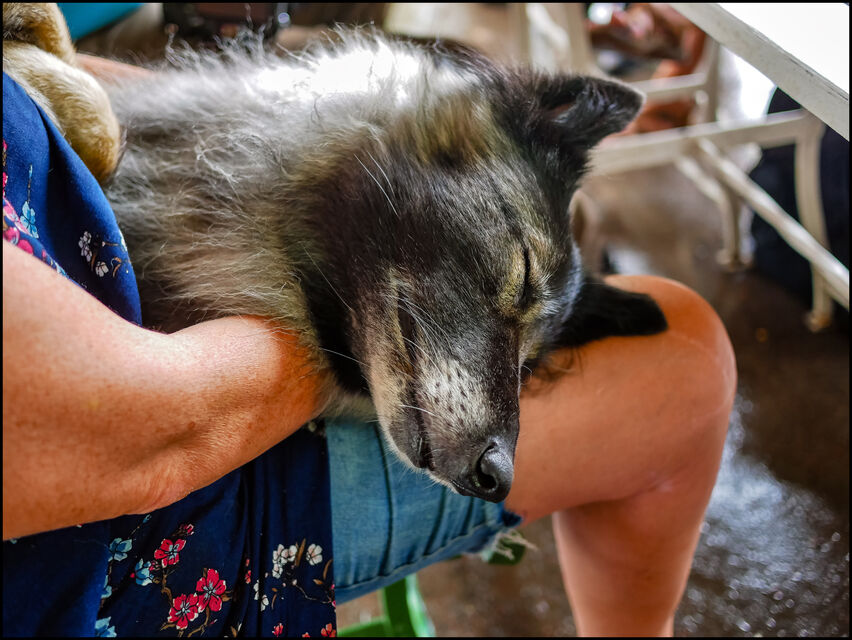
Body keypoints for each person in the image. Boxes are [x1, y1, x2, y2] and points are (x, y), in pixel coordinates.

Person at [3, 53, 736, 637]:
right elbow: (129, 434)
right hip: (128, 541)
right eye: (512, 278)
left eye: (514, 363)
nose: (498, 455)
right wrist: (311, 342)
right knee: (689, 363)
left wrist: (258, 110)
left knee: (664, 324)